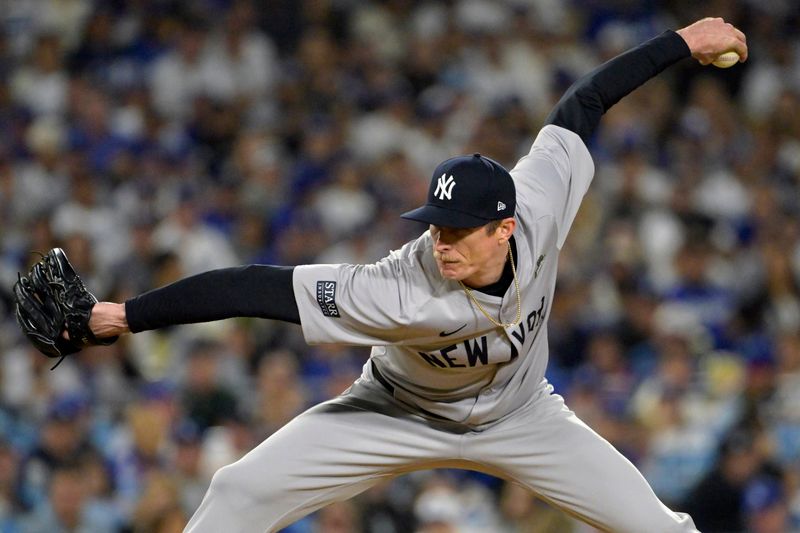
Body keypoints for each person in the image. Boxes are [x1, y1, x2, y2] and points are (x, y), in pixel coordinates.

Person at [76, 17, 747, 533]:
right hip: (395, 410)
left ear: (504, 227)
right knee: (237, 491)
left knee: (661, 527)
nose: (440, 239)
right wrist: (125, 314)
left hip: (523, 414)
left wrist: (679, 42)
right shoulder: (399, 288)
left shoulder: (537, 202)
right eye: (434, 221)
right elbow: (257, 286)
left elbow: (584, 101)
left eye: (456, 228)